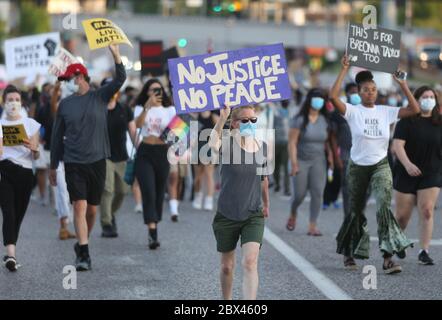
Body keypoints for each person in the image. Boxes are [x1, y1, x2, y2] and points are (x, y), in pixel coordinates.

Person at [330, 55, 420, 274]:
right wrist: (343, 69)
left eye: (373, 89)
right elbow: (332, 97)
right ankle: (349, 253)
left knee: (383, 208)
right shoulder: (353, 111)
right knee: (355, 211)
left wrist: (403, 84)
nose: (370, 92)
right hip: (357, 167)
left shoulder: (385, 111)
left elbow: (415, 110)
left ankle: (388, 258)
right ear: (359, 92)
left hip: (380, 166)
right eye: (366, 89)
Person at [50, 44, 125, 271]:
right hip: (73, 162)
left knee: (92, 209)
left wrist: (116, 54)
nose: (67, 83)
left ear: (80, 76)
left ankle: (84, 241)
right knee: (79, 206)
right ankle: (84, 253)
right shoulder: (65, 104)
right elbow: (56, 137)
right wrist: (54, 166)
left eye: (69, 78)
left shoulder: (99, 97)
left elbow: (120, 78)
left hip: (97, 160)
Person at [209, 105, 269, 300]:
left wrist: (266, 203)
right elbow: (212, 144)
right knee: (227, 267)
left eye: (253, 120)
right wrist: (222, 119)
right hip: (227, 213)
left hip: (253, 213)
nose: (250, 124)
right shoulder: (226, 143)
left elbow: (263, 179)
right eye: (245, 120)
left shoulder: (262, 147)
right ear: (235, 123)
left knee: (250, 262)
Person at [392, 86, 442, 265]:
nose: (428, 99)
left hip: (432, 173)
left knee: (427, 210)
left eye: (431, 96)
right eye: (424, 96)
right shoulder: (406, 121)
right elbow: (398, 146)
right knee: (402, 217)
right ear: (417, 99)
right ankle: (397, 240)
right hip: (407, 172)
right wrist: (407, 165)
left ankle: (424, 250)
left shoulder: (440, 121)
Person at [0, 85, 41, 272]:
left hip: (24, 172)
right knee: (8, 212)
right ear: (4, 102)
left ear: (21, 102)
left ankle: (10, 250)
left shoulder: (30, 124)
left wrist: (32, 147)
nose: (13, 103)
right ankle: (12, 255)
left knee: (18, 214)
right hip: (5, 170)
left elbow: (36, 156)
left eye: (16, 99)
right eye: (10, 100)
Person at [134, 79, 175, 250]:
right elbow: (137, 124)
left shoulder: (170, 109)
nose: (156, 93)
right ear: (147, 91)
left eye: (159, 89)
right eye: (152, 90)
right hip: (145, 152)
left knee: (159, 192)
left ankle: (154, 222)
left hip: (162, 152)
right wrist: (147, 106)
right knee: (149, 191)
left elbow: (178, 131)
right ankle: (152, 232)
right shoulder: (140, 107)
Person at [286, 88, 334, 236]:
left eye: (321, 99)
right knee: (299, 194)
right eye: (316, 98)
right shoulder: (299, 119)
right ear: (310, 100)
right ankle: (293, 212)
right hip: (300, 160)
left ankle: (313, 225)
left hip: (319, 160)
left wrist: (331, 156)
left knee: (318, 193)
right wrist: (294, 163)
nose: (319, 101)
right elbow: (292, 143)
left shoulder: (325, 120)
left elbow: (326, 142)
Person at [100, 78, 136, 238]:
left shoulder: (125, 109)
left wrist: (141, 149)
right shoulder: (98, 108)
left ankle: (110, 213)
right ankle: (106, 223)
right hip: (103, 155)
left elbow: (133, 132)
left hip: (121, 156)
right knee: (107, 190)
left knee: (122, 191)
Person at [49, 81, 76, 240]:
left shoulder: (79, 109)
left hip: (75, 157)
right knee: (61, 192)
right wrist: (56, 88)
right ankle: (63, 226)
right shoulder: (60, 109)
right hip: (59, 157)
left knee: (71, 193)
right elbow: (54, 105)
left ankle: (67, 225)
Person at [192, 111, 218, 211]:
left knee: (209, 174)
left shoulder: (213, 116)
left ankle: (209, 199)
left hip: (210, 147)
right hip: (198, 147)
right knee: (198, 176)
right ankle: (198, 196)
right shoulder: (196, 115)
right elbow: (193, 135)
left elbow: (219, 130)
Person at [273, 100, 291, 196]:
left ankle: (287, 188)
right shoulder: (276, 113)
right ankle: (277, 184)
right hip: (276, 142)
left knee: (286, 167)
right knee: (276, 166)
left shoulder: (291, 113)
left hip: (286, 143)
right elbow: (271, 126)